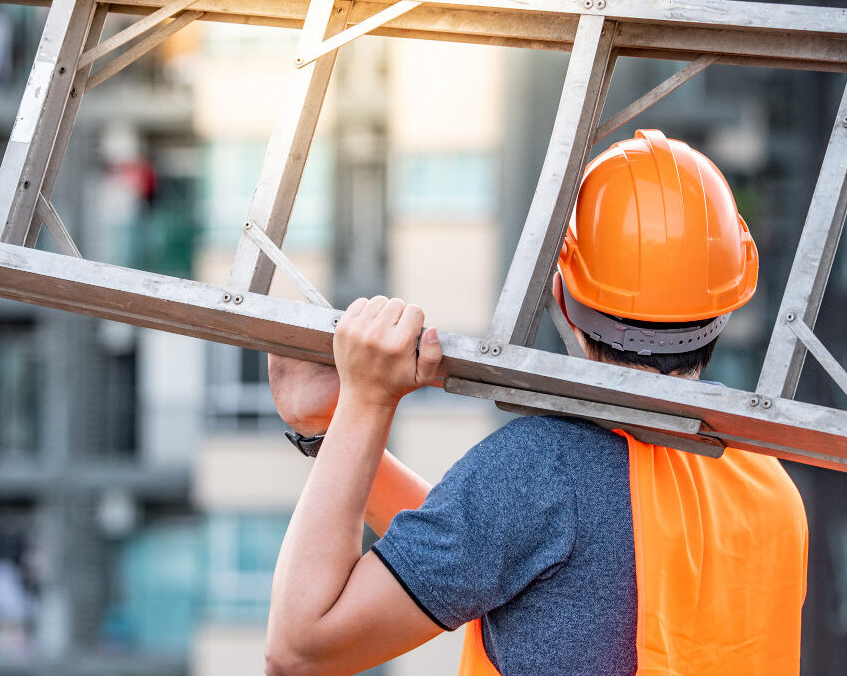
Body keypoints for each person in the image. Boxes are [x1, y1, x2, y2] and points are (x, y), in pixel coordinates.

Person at [263, 130, 808, 676]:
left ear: (563, 296)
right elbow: (503, 544)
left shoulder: (542, 473)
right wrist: (328, 432)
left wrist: (367, 401)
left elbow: (300, 652)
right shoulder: (765, 483)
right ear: (729, 303)